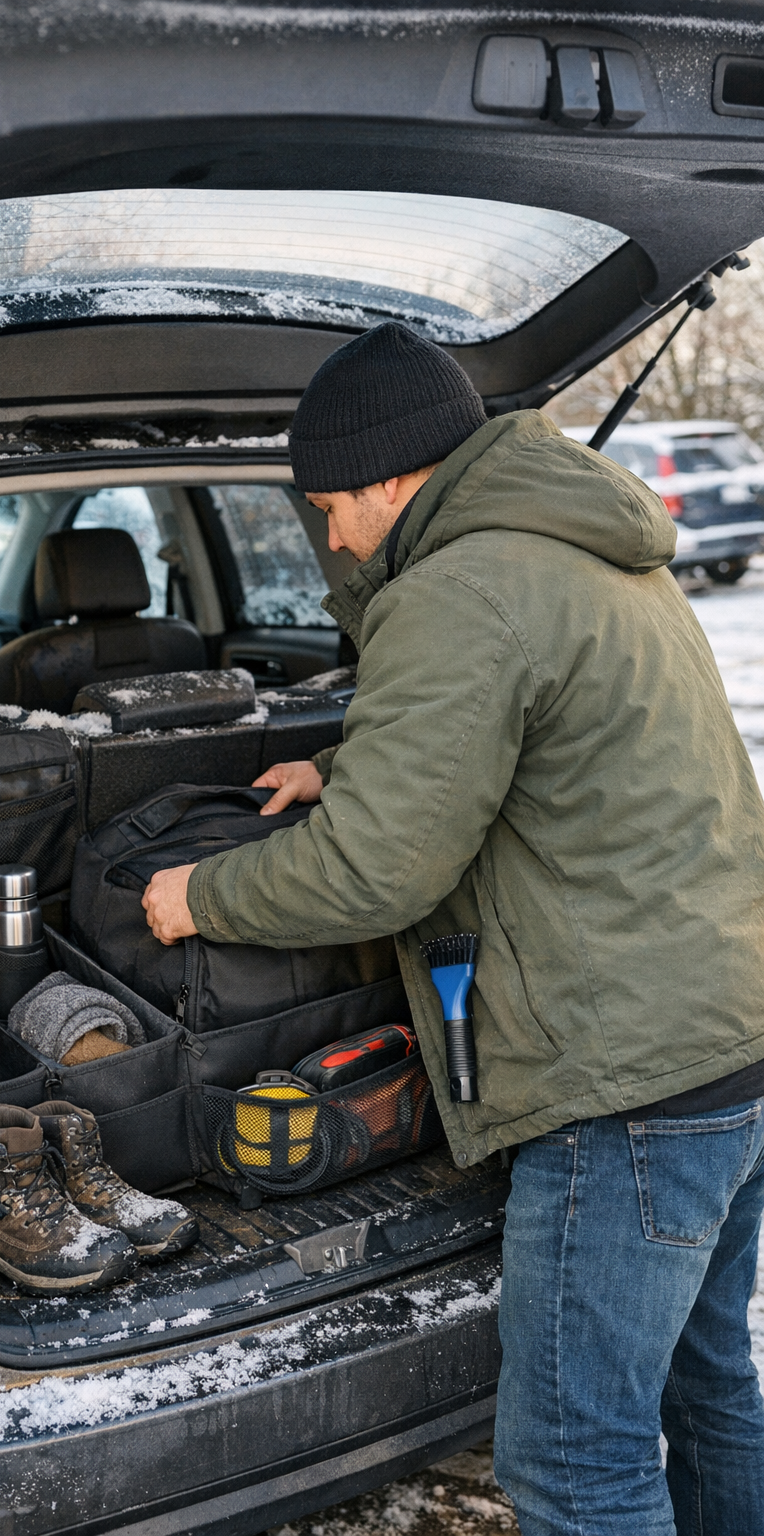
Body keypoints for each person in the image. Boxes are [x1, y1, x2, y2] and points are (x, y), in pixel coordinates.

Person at [141, 321, 764, 1536]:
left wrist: (196, 897)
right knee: (707, 1392)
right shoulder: (578, 548)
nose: (327, 538)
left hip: (621, 1085)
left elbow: (373, 877)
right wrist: (347, 767)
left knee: (574, 1465)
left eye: (328, 508)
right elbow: (547, 739)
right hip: (728, 1035)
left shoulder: (455, 590)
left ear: (388, 476)